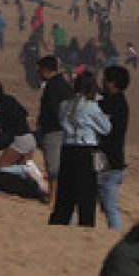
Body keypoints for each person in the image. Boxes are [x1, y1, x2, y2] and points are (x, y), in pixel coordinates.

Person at [48, 69, 111, 227]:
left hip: (68, 148)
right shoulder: (91, 107)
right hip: (84, 149)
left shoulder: (64, 105)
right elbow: (106, 128)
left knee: (65, 192)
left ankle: (59, 222)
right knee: (86, 194)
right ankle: (86, 225)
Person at [98, 64, 131, 230]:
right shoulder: (107, 100)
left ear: (114, 83)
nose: (103, 82)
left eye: (107, 79)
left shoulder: (117, 105)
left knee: (110, 208)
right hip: (109, 163)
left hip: (109, 163)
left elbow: (107, 131)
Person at [36, 55, 73, 203]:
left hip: (53, 130)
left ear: (45, 70)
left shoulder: (53, 86)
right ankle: (54, 195)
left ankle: (53, 197)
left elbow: (54, 110)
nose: (38, 72)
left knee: (53, 167)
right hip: (58, 130)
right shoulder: (62, 84)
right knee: (54, 165)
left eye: (39, 69)